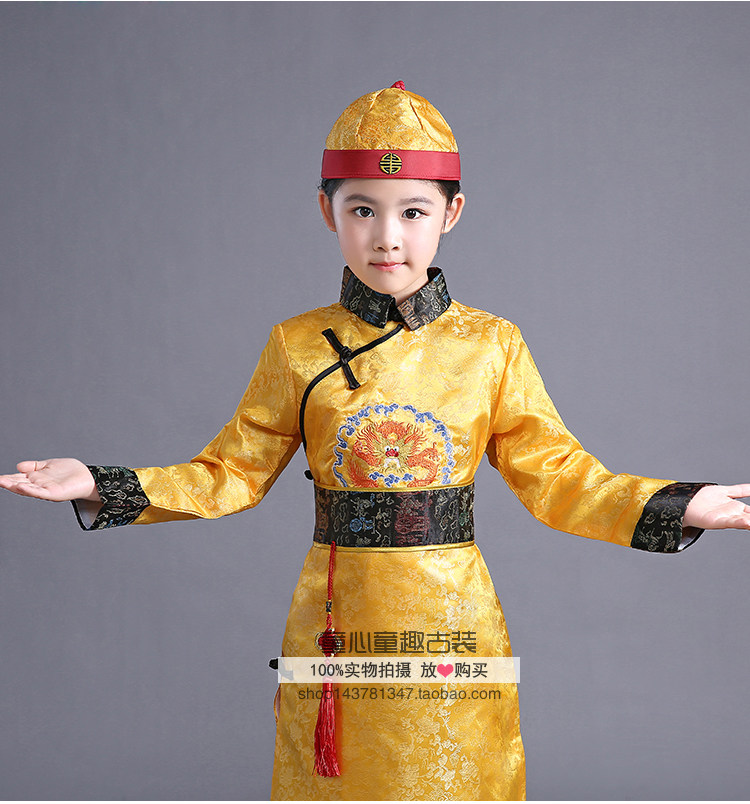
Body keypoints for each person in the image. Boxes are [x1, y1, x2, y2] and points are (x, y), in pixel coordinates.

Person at [1, 81, 749, 801]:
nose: (387, 236)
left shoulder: (491, 345)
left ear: (452, 212)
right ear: (327, 212)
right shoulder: (296, 345)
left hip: (450, 619)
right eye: (362, 209)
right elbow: (230, 472)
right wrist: (100, 483)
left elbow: (558, 476)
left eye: (413, 211)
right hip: (338, 620)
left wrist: (678, 504)